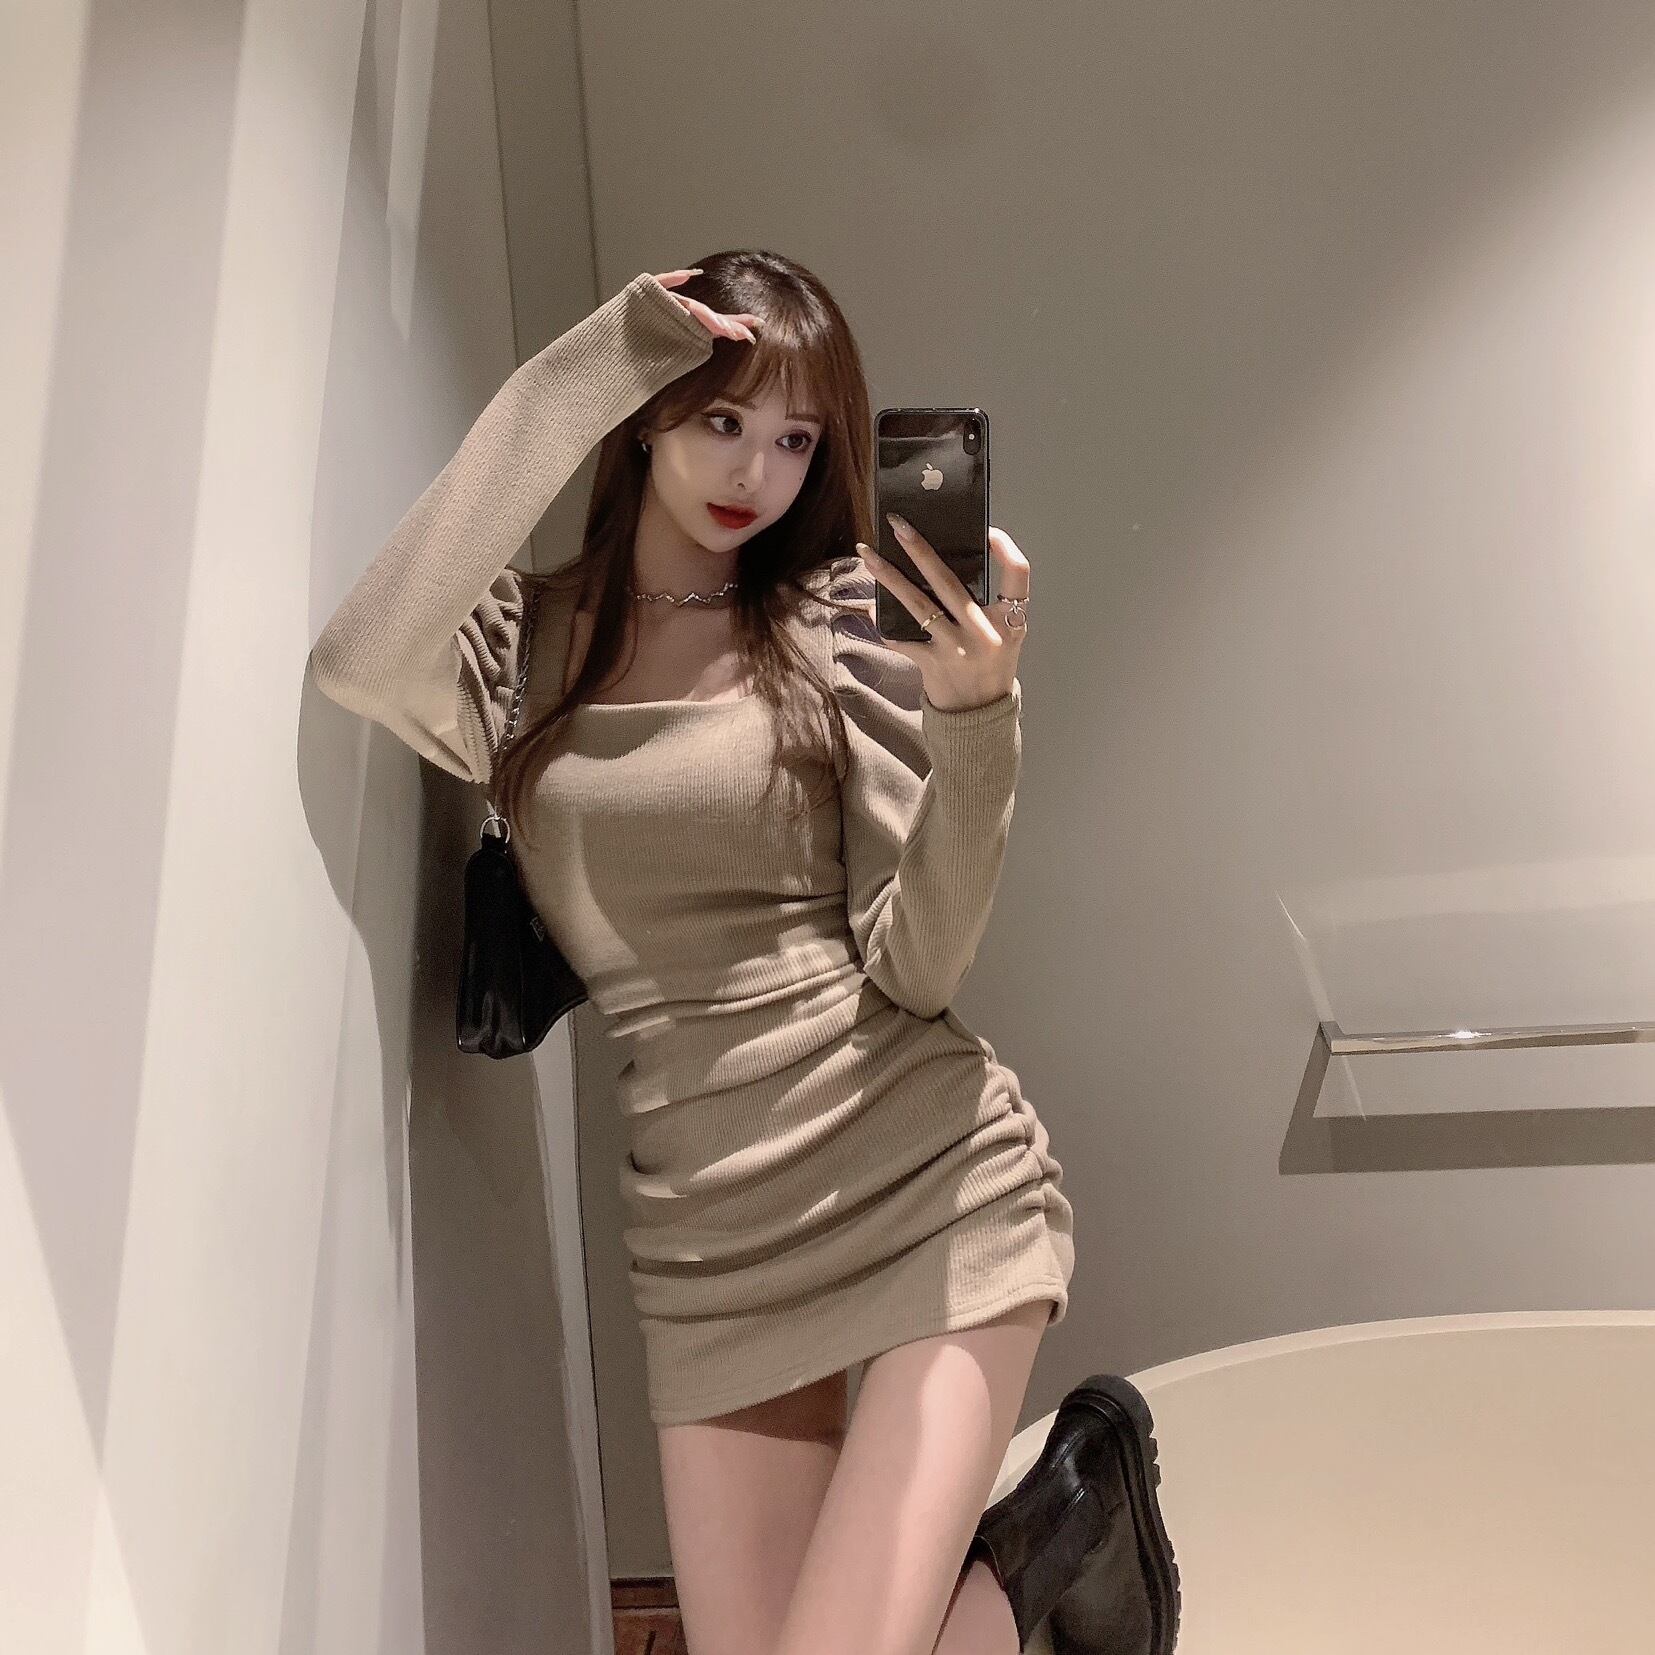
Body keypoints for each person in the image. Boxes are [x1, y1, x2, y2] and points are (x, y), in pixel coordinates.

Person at [309, 251, 1178, 1655]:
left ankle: (1049, 1545)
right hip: (707, 1248)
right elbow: (361, 654)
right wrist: (595, 360)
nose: (754, 474)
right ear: (650, 412)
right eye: (722, 419)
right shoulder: (526, 651)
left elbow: (919, 966)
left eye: (795, 440)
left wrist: (975, 724)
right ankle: (1061, 1535)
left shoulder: (835, 626)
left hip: (923, 1189)